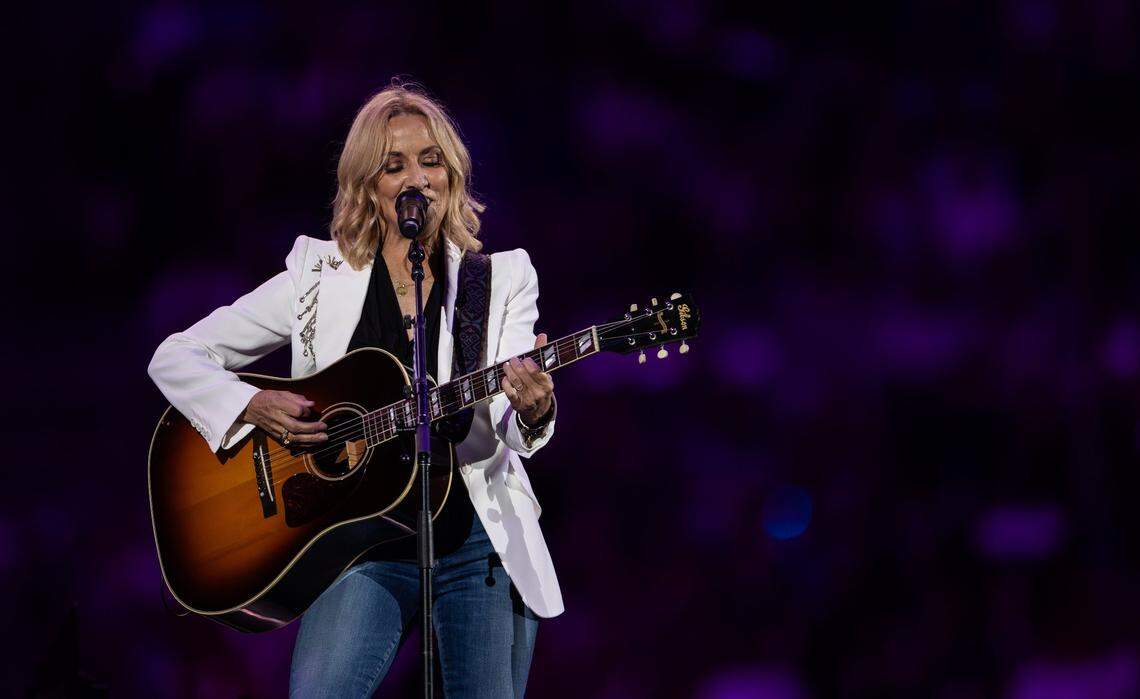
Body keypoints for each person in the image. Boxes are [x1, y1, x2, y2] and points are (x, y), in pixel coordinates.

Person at [147, 82, 563, 698]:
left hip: (476, 538)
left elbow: (506, 423)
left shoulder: (500, 280)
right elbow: (176, 355)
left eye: (431, 161)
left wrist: (536, 410)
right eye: (393, 166)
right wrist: (251, 404)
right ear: (369, 185)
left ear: (452, 175)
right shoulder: (317, 276)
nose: (415, 178)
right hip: (358, 543)